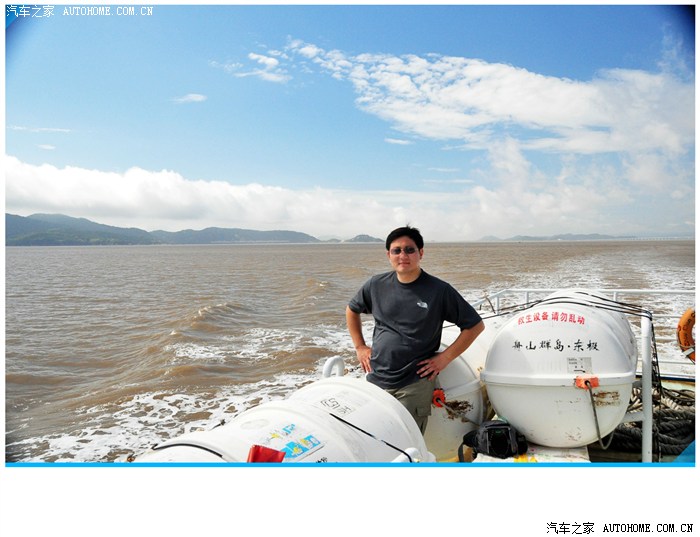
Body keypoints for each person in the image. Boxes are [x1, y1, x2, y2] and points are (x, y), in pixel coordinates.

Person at [346, 226, 484, 434]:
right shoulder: (376, 285)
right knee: (374, 435)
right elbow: (351, 310)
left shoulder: (439, 290)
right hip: (376, 376)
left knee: (405, 439)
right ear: (388, 255)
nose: (403, 255)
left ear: (421, 253)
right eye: (397, 250)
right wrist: (360, 346)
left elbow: (474, 326)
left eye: (409, 250)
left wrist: (445, 358)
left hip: (414, 382)